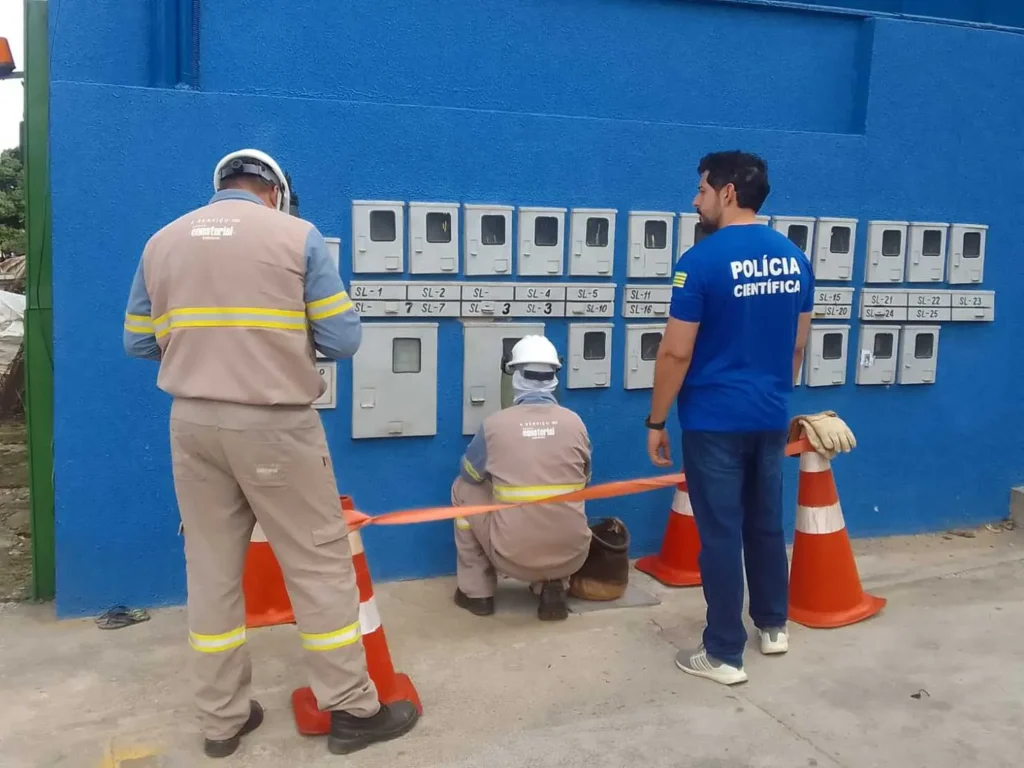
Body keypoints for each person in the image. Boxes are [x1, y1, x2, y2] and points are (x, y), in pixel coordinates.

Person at [122, 149, 419, 757]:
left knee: (210, 570)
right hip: (275, 424)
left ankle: (221, 721)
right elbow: (342, 338)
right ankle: (353, 709)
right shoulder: (298, 236)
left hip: (192, 424)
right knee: (317, 564)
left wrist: (200, 359)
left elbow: (138, 341)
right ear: (276, 192)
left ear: (221, 188)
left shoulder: (162, 242)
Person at [644, 150, 814, 685]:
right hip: (767, 414)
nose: (695, 200)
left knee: (719, 533)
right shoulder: (794, 258)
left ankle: (722, 652)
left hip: (714, 420)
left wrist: (656, 421)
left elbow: (675, 353)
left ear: (728, 193)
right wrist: (771, 394)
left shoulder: (700, 262)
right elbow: (797, 344)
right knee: (765, 523)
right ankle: (773, 624)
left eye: (700, 190)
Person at [450, 335, 593, 621]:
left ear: (514, 375)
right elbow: (585, 478)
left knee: (462, 488)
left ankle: (477, 592)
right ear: (554, 376)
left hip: (512, 557)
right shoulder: (575, 423)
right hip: (573, 556)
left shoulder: (495, 425)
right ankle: (553, 585)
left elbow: (471, 474)